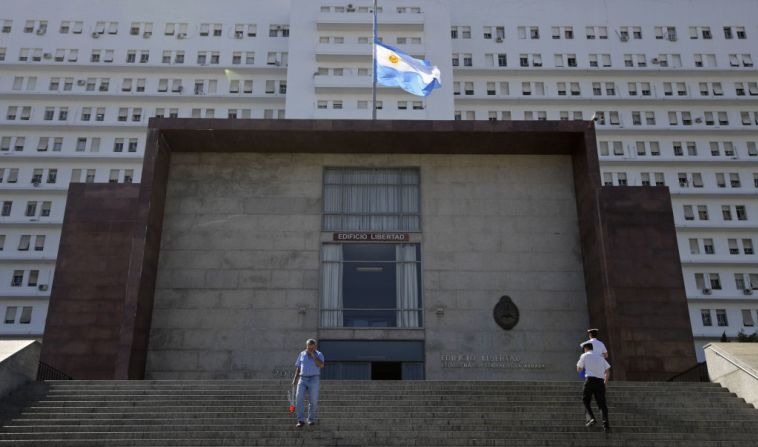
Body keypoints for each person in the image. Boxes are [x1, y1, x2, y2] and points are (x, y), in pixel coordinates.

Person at [576, 342, 611, 432]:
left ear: (586, 348)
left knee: (585, 400)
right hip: (600, 382)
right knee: (602, 405)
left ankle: (591, 418)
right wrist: (605, 383)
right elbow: (607, 371)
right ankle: (606, 424)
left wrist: (584, 367)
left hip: (590, 381)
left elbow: (579, 369)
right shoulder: (601, 357)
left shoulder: (584, 355)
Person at [292, 338, 325, 428]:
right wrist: (295, 379)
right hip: (302, 378)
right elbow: (298, 367)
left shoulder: (319, 354)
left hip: (314, 378)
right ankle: (301, 420)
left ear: (315, 347)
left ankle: (310, 419)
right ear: (306, 346)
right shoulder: (302, 354)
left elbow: (321, 365)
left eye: (312, 348)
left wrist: (313, 355)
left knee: (313, 400)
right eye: (309, 348)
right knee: (298, 399)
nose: (310, 349)